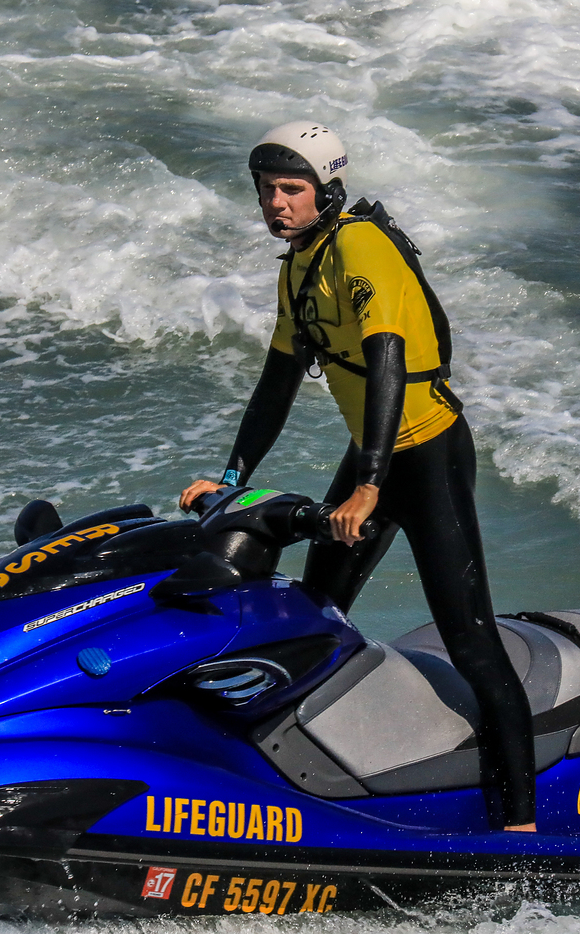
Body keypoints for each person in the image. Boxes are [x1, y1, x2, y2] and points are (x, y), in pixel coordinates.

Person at [178, 121, 537, 831]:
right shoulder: (300, 263)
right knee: (318, 606)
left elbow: (387, 368)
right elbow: (277, 380)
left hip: (425, 453)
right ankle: (318, 781)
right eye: (266, 189)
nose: (275, 202)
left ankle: (523, 823)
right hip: (371, 456)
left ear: (326, 189)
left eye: (291, 188)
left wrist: (369, 483)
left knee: (468, 639)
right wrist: (228, 476)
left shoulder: (360, 249)